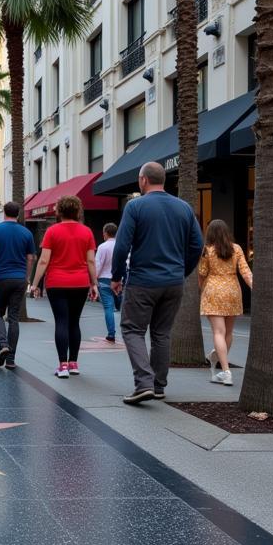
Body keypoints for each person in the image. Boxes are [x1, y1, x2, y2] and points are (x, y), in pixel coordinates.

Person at [111, 161, 204, 404]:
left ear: (143, 180)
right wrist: (182, 271)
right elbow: (197, 245)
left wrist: (116, 276)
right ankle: (158, 386)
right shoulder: (184, 208)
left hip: (142, 280)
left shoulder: (135, 206)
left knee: (132, 329)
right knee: (162, 333)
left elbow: (121, 246)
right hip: (173, 281)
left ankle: (143, 383)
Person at [30, 197, 99, 379]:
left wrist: (35, 283)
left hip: (56, 282)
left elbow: (44, 260)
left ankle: (62, 366)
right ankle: (74, 363)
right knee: (74, 322)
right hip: (80, 282)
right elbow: (91, 260)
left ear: (58, 211)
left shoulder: (52, 231)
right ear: (78, 211)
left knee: (61, 321)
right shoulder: (87, 232)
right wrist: (94, 284)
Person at [0, 201, 36, 370]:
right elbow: (31, 258)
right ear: (18, 214)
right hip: (19, 279)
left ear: (4, 212)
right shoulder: (26, 233)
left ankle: (3, 344)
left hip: (1, 278)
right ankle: (11, 359)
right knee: (14, 318)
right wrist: (26, 277)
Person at [199, 219, 253, 387]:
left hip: (214, 290)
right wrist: (254, 286)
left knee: (218, 332)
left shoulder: (207, 251)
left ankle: (226, 371)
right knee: (228, 332)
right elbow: (245, 271)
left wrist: (202, 289)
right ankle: (220, 363)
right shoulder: (236, 248)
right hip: (233, 290)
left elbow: (202, 273)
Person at [95, 222, 121, 342]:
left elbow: (98, 265)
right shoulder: (121, 246)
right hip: (119, 280)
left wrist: (94, 280)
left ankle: (111, 333)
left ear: (105, 233)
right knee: (122, 306)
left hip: (104, 279)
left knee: (108, 308)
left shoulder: (102, 247)